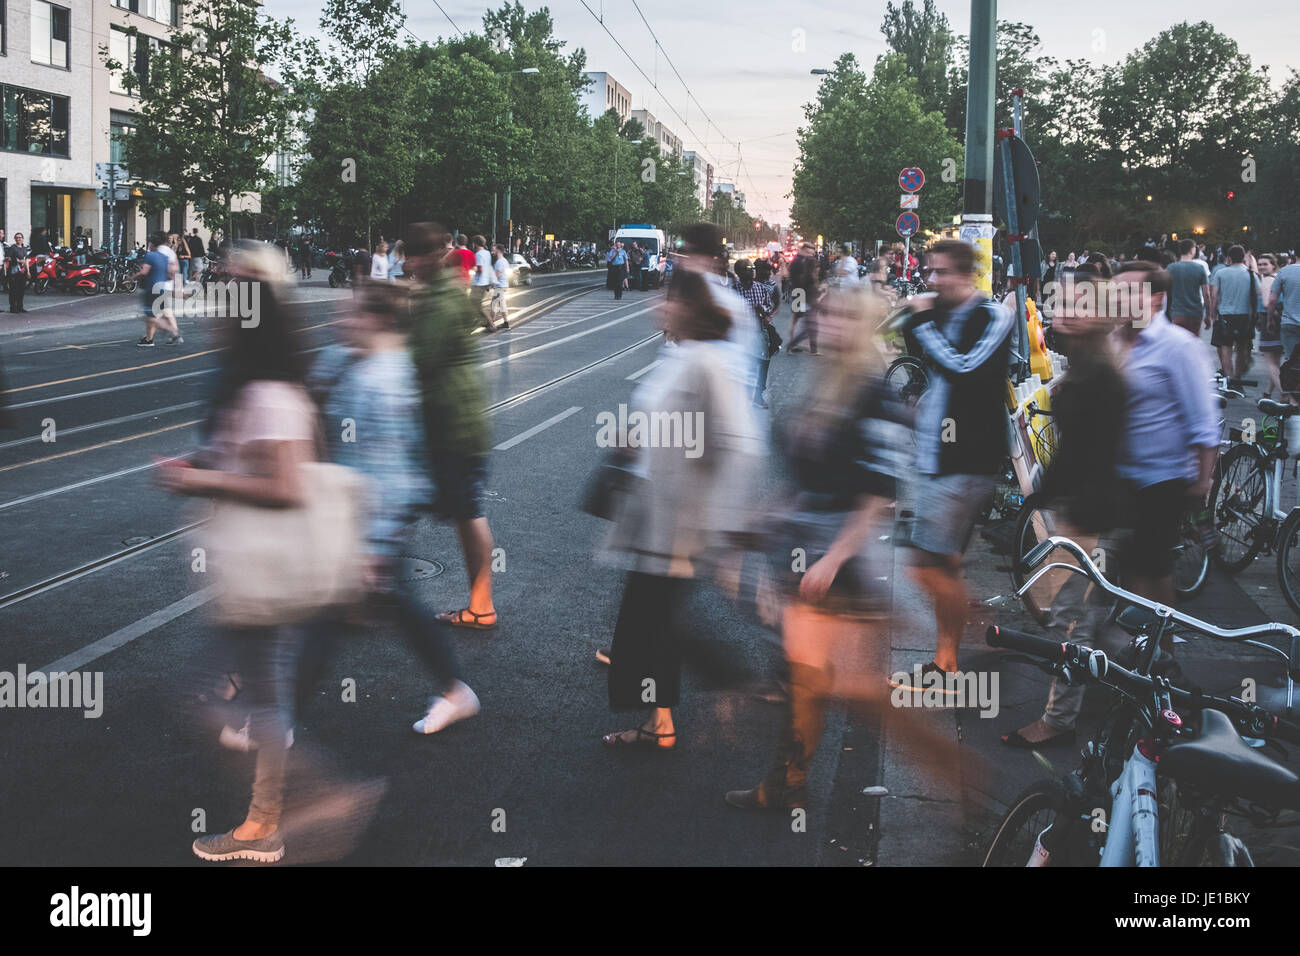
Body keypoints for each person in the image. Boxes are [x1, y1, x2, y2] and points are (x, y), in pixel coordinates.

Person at [159, 242, 321, 863]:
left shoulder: (272, 394)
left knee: (237, 694)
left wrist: (199, 478)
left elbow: (283, 485)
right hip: (248, 564)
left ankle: (272, 819)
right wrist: (203, 462)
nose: (216, 321)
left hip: (264, 565)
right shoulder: (257, 387)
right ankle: (278, 809)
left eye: (227, 311)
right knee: (250, 693)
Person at [726, 288, 908, 808]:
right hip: (800, 549)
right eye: (826, 312)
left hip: (830, 562)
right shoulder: (827, 382)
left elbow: (878, 495)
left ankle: (785, 786)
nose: (827, 322)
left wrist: (833, 559)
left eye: (844, 316)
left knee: (813, 682)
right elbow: (807, 478)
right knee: (809, 679)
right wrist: (762, 518)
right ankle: (787, 781)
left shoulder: (873, 393)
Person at [598, 269, 762, 750]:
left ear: (687, 307)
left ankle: (736, 679)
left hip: (682, 520)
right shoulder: (679, 355)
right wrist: (633, 441)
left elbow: (739, 443)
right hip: (656, 513)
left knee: (656, 623)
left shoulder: (706, 362)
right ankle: (663, 717)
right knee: (652, 622)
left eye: (666, 299)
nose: (657, 305)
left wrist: (719, 522)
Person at [311, 281, 480, 734]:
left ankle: (276, 716)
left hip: (375, 514)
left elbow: (388, 468)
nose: (341, 322)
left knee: (334, 610)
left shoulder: (387, 380)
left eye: (352, 315)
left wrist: (376, 544)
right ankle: (453, 689)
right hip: (352, 511)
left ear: (379, 321)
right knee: (364, 607)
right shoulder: (351, 360)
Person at [1001, 270, 1129, 748]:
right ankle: (1149, 676)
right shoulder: (1089, 366)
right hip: (1091, 510)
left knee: (1070, 619)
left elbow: (1090, 452)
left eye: (1079, 307)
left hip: (1095, 513)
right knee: (1093, 616)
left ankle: (1059, 720)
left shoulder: (1098, 374)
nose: (1066, 312)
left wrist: (1042, 494)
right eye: (1066, 304)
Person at [903, 239, 1015, 681]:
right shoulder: (947, 314)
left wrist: (924, 319)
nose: (932, 281)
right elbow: (930, 365)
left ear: (968, 274)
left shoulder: (993, 316)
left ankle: (953, 656)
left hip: (965, 459)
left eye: (942, 272)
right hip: (940, 455)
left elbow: (966, 368)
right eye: (930, 272)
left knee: (926, 565)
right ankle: (946, 658)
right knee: (944, 563)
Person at [405, 224, 502, 631]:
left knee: (464, 511)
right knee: (463, 512)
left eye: (408, 256)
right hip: (455, 422)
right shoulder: (442, 294)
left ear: (424, 257)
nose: (405, 264)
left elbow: (418, 360)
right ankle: (479, 604)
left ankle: (481, 606)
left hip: (451, 425)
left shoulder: (439, 302)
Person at [1111, 260, 1219, 608]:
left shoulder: (1178, 347)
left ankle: (1162, 652)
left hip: (1162, 477)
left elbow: (1203, 421)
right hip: (1119, 474)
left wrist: (1202, 482)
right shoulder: (1114, 339)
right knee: (1126, 569)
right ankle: (1141, 648)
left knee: (1150, 569)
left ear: (1156, 299)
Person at [1208, 244, 1256, 382]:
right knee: (1241, 347)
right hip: (1244, 315)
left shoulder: (1221, 273)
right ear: (1243, 257)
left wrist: (1212, 313)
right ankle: (1237, 378)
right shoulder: (1251, 274)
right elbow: (1257, 294)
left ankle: (1228, 379)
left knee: (1225, 348)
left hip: (1225, 315)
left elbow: (1214, 295)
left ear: (1228, 258)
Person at [732, 259, 776, 408]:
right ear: (739, 273)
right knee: (744, 364)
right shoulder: (734, 289)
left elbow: (769, 306)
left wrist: (764, 312)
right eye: (748, 268)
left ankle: (758, 394)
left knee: (764, 362)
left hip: (758, 330)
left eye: (753, 267)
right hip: (740, 332)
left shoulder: (760, 288)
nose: (752, 270)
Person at [132, 232, 181, 346]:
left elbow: (145, 270)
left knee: (152, 315)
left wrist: (132, 278)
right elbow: (173, 270)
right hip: (166, 285)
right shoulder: (170, 252)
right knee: (164, 312)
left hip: (155, 286)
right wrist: (176, 286)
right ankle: (153, 337)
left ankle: (164, 334)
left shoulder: (153, 253)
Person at [1166, 238, 1211, 337]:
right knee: (1193, 342)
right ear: (1191, 250)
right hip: (1195, 312)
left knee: (1178, 342)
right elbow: (1206, 294)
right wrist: (1208, 315)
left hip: (1177, 312)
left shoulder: (1171, 268)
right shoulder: (1199, 268)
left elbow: (1166, 291)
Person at [1257, 254, 1283, 400]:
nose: (1261, 267)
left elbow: (1267, 303)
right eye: (1259, 264)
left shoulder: (1267, 280)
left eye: (1265, 264)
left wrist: (1268, 320)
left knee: (1270, 363)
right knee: (1276, 362)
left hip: (1269, 321)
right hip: (1279, 321)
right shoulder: (1278, 278)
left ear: (1273, 265)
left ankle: (1286, 395)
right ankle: (1267, 393)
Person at [787, 241, 820, 354]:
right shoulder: (798, 262)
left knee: (800, 319)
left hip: (801, 293)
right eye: (808, 252)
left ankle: (795, 345)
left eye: (812, 253)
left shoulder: (802, 261)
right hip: (799, 293)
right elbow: (796, 279)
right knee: (796, 319)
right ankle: (791, 345)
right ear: (802, 250)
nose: (810, 255)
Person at [1268, 252, 1300, 364]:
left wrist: (1269, 319)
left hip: (1289, 323)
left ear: (1295, 255)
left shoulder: (1284, 271)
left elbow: (1272, 300)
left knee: (1292, 361)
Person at [470, 235, 494, 330]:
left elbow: (480, 269)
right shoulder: (487, 253)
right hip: (485, 282)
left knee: (477, 305)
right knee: (476, 304)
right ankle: (485, 322)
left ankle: (490, 324)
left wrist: (473, 269)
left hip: (478, 283)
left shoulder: (478, 254)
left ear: (475, 243)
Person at [4, 234, 30, 314]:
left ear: (23, 239)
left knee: (21, 290)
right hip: (14, 272)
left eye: (20, 237)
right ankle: (13, 307)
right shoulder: (12, 248)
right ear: (15, 239)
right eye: (17, 237)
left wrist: (28, 271)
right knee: (13, 290)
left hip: (23, 272)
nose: (19, 239)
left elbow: (26, 260)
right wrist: (18, 261)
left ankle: (20, 307)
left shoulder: (24, 248)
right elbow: (7, 258)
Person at [489, 243, 510, 331]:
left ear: (498, 250)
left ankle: (491, 323)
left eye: (494, 249)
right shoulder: (504, 261)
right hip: (503, 285)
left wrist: (490, 284)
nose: (493, 251)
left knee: (493, 304)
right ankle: (505, 323)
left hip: (499, 286)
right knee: (501, 305)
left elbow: (497, 275)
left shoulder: (499, 262)